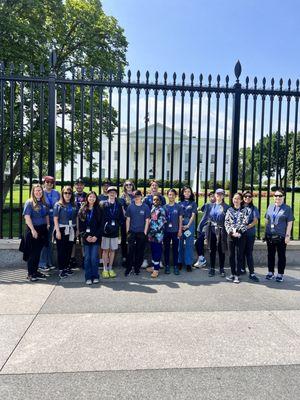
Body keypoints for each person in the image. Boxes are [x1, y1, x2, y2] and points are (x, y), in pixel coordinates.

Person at [264, 189, 294, 282]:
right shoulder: (270, 206)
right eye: (276, 195)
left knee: (281, 256)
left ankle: (280, 274)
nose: (277, 197)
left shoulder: (287, 208)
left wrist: (287, 235)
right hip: (270, 235)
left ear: (283, 197)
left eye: (280, 196)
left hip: (281, 236)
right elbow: (267, 220)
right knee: (270, 255)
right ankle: (270, 272)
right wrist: (265, 232)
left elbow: (290, 222)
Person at [22, 184, 50, 282]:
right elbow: (27, 217)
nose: (38, 192)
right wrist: (33, 230)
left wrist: (48, 224)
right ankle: (30, 274)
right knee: (32, 253)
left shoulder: (43, 203)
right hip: (33, 230)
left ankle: (35, 271)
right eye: (36, 191)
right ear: (33, 192)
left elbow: (46, 215)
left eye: (40, 191)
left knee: (38, 252)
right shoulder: (29, 203)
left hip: (42, 230)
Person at [53, 186, 78, 279]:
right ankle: (61, 269)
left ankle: (66, 267)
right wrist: (58, 231)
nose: (67, 195)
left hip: (72, 229)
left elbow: (77, 218)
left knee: (69, 249)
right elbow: (55, 219)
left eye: (69, 193)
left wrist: (78, 229)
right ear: (62, 194)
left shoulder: (74, 204)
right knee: (61, 250)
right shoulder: (58, 205)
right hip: (62, 229)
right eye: (65, 193)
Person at [224, 192, 249, 284]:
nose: (236, 200)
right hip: (231, 236)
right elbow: (226, 222)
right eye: (235, 198)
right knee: (231, 255)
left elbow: (245, 223)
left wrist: (239, 232)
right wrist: (231, 232)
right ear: (232, 200)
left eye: (238, 199)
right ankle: (232, 273)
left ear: (241, 200)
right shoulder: (229, 210)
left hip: (241, 236)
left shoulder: (245, 210)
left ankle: (237, 275)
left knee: (239, 255)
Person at [100, 186, 124, 279]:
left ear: (116, 194)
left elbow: (121, 218)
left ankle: (110, 268)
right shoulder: (103, 204)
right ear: (108, 193)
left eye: (114, 192)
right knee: (105, 250)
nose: (112, 193)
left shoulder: (118, 205)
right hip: (106, 231)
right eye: (110, 192)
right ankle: (105, 269)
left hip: (114, 230)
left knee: (113, 250)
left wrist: (118, 225)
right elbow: (100, 217)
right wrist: (103, 227)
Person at [78, 191, 102, 285]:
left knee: (94, 258)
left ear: (96, 199)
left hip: (96, 238)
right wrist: (86, 236)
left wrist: (96, 236)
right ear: (87, 198)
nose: (92, 198)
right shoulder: (82, 209)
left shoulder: (99, 209)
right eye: (90, 197)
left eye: (94, 197)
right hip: (86, 238)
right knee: (87, 258)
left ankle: (95, 276)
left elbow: (101, 225)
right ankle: (88, 277)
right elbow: (81, 226)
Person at [125, 190, 150, 276]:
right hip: (132, 232)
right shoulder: (130, 207)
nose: (137, 197)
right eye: (135, 196)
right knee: (130, 251)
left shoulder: (145, 207)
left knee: (140, 252)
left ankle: (137, 269)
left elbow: (147, 220)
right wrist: (128, 231)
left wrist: (145, 232)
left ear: (141, 196)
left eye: (138, 196)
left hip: (141, 233)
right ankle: (129, 268)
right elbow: (128, 219)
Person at [142, 180, 166, 268]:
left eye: (156, 185)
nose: (154, 187)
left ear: (158, 187)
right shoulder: (146, 198)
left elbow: (163, 211)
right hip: (148, 224)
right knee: (147, 243)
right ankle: (145, 260)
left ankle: (158, 261)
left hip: (159, 225)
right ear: (150, 187)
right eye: (152, 185)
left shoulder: (162, 198)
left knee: (159, 243)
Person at [205, 188, 229, 277]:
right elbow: (208, 219)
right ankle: (212, 268)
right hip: (211, 230)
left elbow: (228, 221)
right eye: (217, 194)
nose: (219, 196)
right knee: (212, 250)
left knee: (221, 250)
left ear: (223, 196)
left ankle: (222, 268)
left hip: (222, 230)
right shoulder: (211, 206)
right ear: (215, 195)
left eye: (221, 194)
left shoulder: (227, 207)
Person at [39, 176, 60, 272]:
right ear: (44, 182)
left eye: (51, 182)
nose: (49, 184)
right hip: (43, 220)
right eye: (47, 182)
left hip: (54, 220)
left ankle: (49, 262)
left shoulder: (56, 193)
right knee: (44, 242)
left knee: (50, 242)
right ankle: (42, 263)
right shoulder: (40, 192)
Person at [241, 190, 260, 282]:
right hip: (240, 234)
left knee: (248, 253)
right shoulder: (239, 207)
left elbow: (255, 220)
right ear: (243, 197)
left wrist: (246, 227)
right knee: (241, 252)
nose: (247, 198)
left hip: (250, 234)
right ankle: (242, 269)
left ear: (252, 198)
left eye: (249, 196)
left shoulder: (254, 208)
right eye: (245, 196)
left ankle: (252, 273)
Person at [178, 185, 198, 272]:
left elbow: (193, 215)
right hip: (180, 225)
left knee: (189, 244)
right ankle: (179, 262)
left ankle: (188, 263)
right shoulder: (179, 203)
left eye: (189, 192)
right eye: (185, 191)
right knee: (180, 242)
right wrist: (181, 225)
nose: (187, 193)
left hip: (189, 226)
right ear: (183, 193)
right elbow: (178, 216)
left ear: (191, 193)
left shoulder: (193, 203)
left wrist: (187, 226)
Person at [146, 195, 166, 278]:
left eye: (157, 200)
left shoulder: (161, 210)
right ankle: (154, 266)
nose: (155, 201)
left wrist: (153, 231)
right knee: (153, 250)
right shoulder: (153, 208)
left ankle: (156, 270)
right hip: (152, 234)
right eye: (154, 200)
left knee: (157, 251)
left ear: (160, 201)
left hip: (158, 235)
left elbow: (161, 223)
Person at [163, 189, 182, 275]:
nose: (171, 196)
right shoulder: (164, 207)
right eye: (169, 194)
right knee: (166, 249)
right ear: (167, 196)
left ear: (175, 196)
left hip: (175, 231)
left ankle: (175, 266)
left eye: (173, 195)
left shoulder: (178, 207)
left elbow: (180, 219)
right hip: (166, 231)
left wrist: (180, 230)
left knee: (175, 250)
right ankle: (167, 266)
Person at [194, 191, 215, 268]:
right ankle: (201, 259)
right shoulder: (207, 204)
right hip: (201, 226)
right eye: (210, 196)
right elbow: (201, 209)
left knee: (198, 242)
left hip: (207, 227)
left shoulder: (218, 206)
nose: (212, 197)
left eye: (213, 196)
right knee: (199, 243)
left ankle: (202, 259)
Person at [70, 178, 87, 268]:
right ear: (75, 186)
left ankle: (84, 258)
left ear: (83, 186)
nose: (79, 186)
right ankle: (72, 259)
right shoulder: (71, 195)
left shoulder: (87, 195)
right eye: (77, 184)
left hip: (83, 221)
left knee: (83, 241)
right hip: (72, 221)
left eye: (81, 184)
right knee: (72, 241)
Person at [119, 180, 135, 265]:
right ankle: (125, 257)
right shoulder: (123, 196)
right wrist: (128, 217)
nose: (128, 186)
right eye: (127, 185)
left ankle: (132, 258)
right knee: (124, 239)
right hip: (125, 221)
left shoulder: (135, 195)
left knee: (132, 240)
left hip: (135, 222)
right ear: (124, 186)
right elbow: (122, 209)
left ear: (133, 186)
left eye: (130, 184)